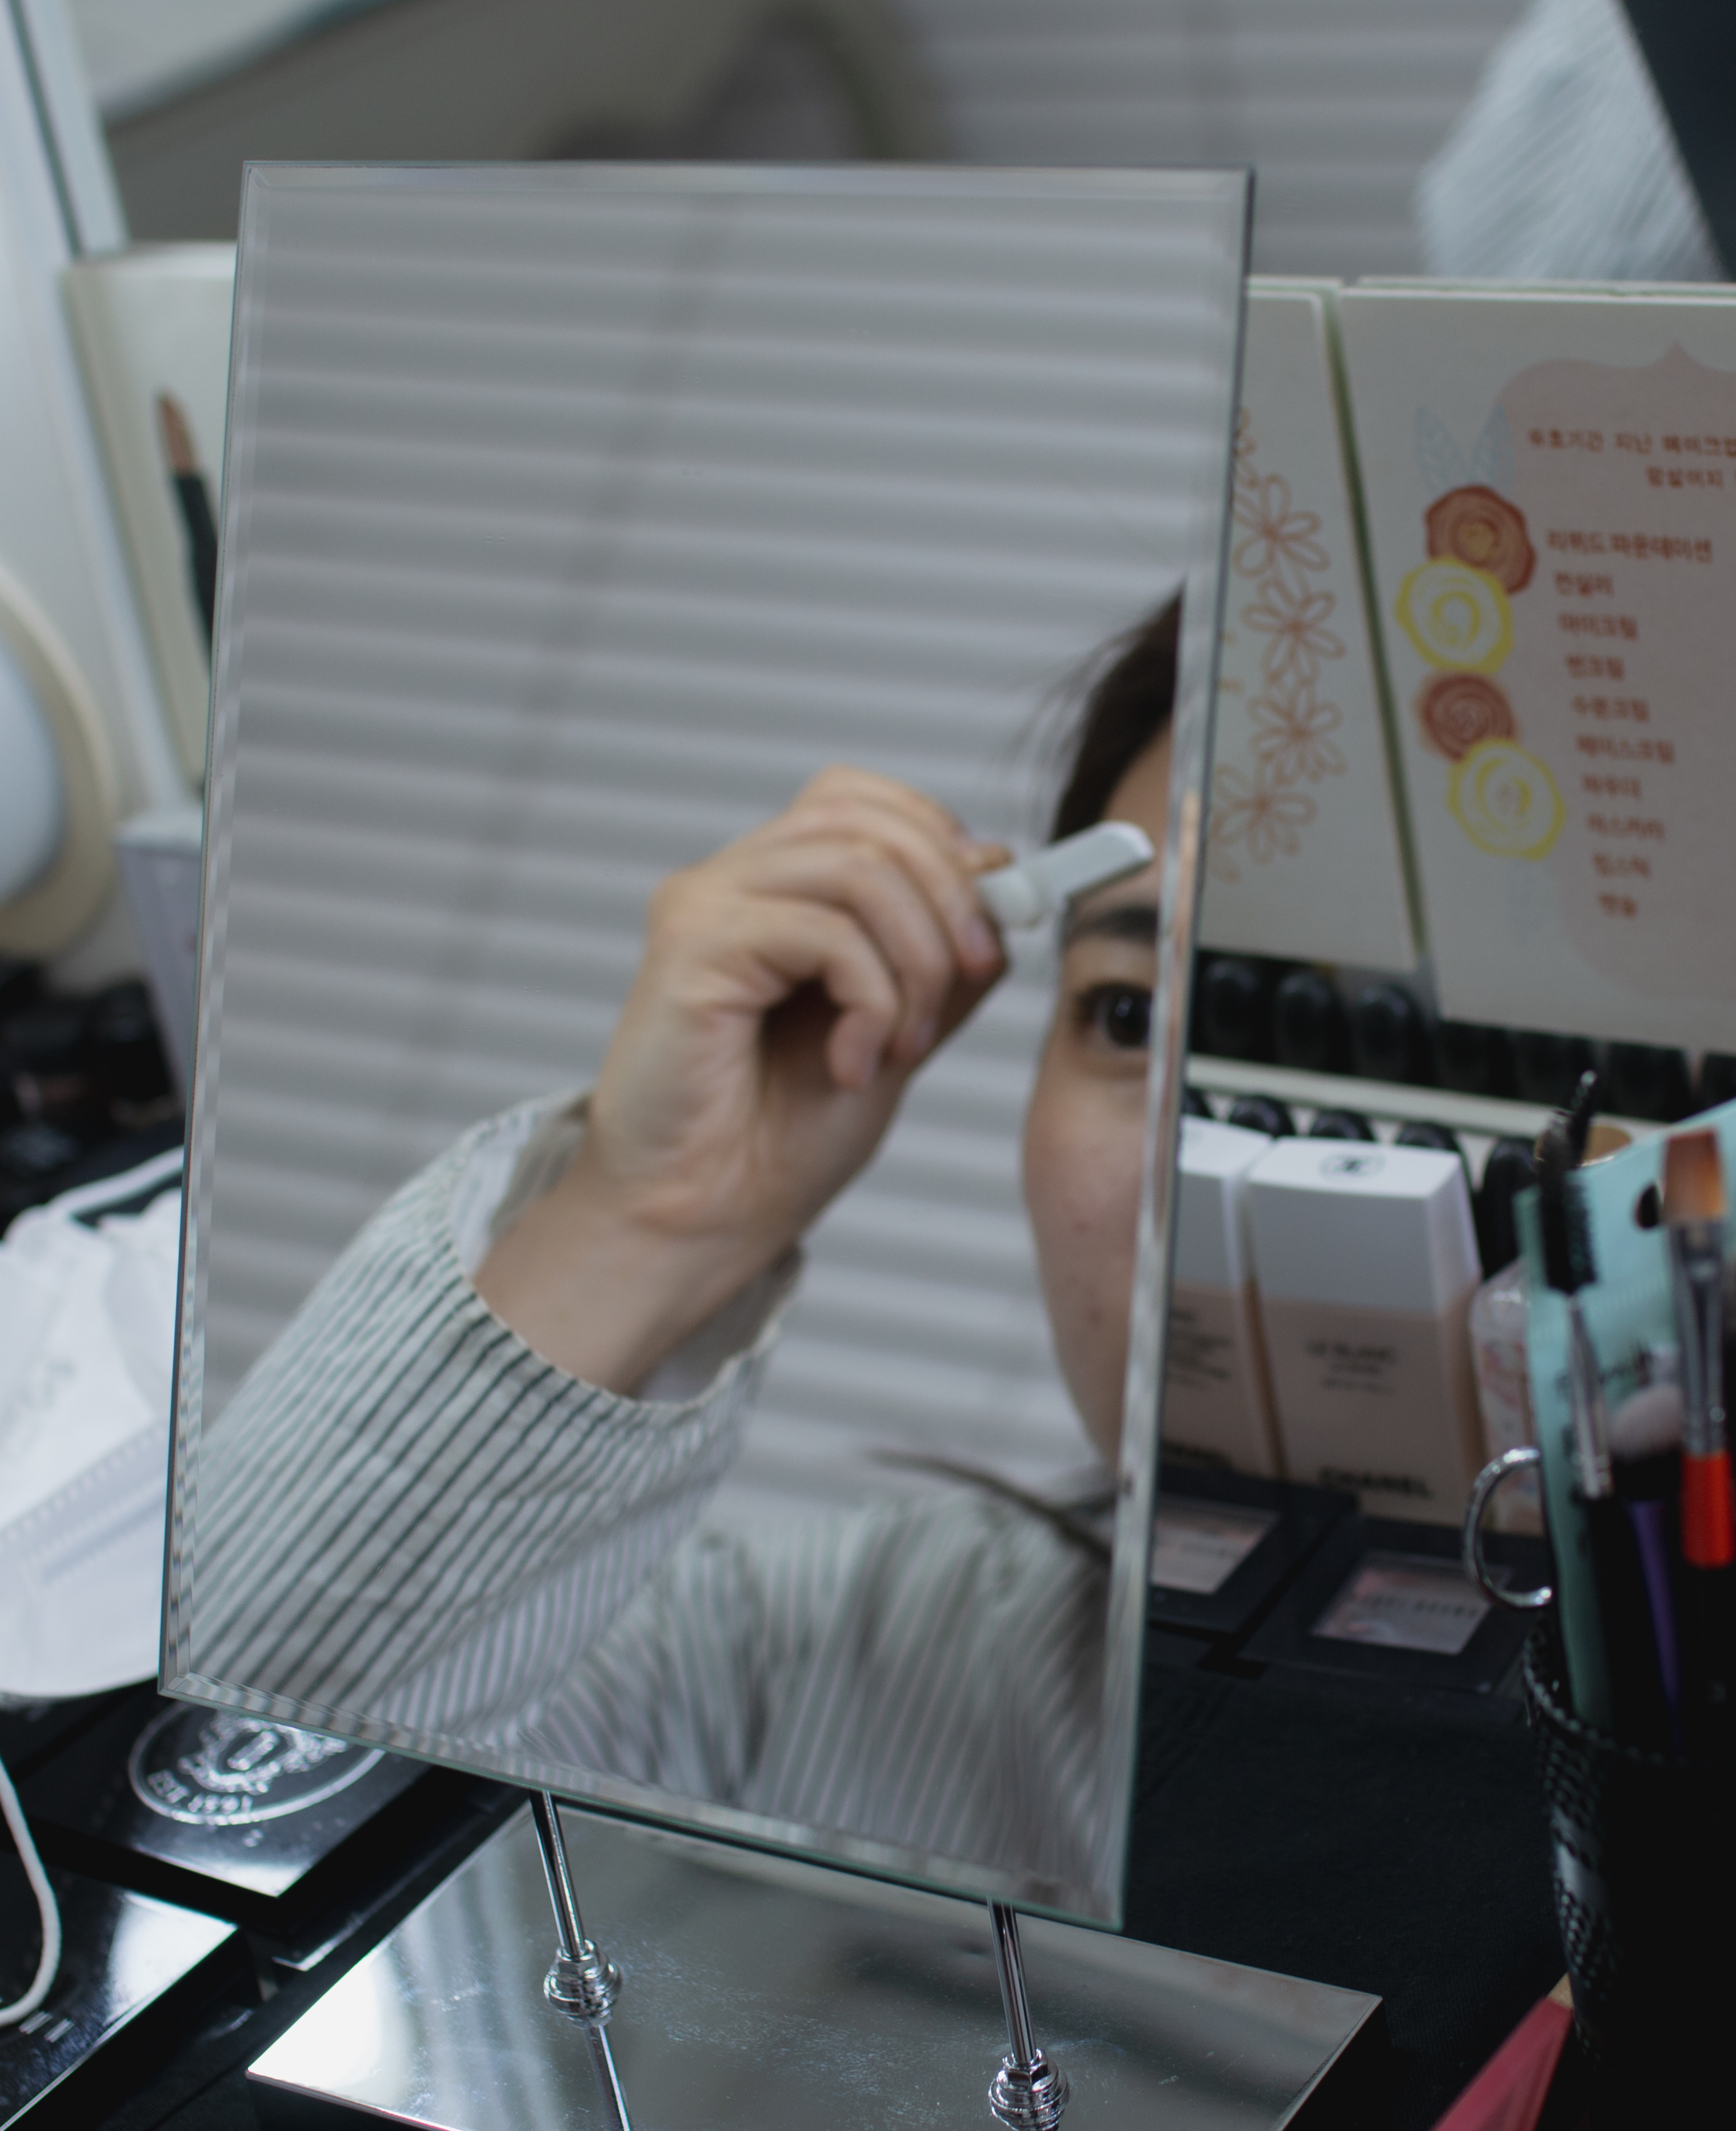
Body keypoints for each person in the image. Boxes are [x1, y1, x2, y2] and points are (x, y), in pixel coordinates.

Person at [184, 602, 1180, 1886]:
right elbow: (211, 1805)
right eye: (1128, 1016)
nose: (1225, 1171)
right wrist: (648, 1216)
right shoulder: (810, 1673)